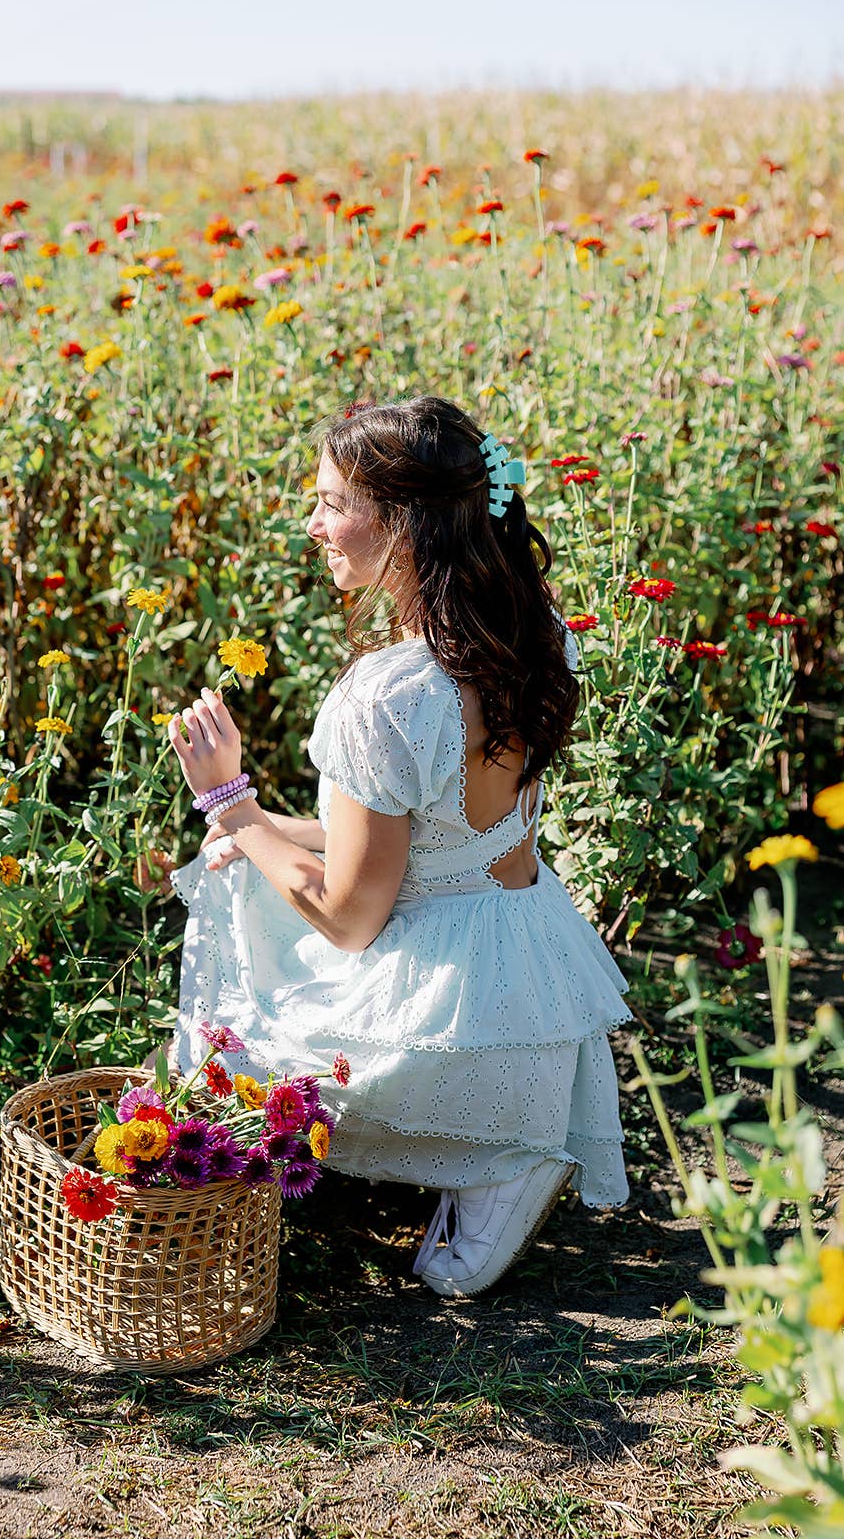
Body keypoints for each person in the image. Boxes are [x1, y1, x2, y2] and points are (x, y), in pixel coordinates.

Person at [163, 395, 633, 1298]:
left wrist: (227, 798)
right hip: (528, 974)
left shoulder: (385, 695)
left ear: (406, 524)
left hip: (445, 1015)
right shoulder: (537, 636)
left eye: (332, 502)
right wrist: (248, 827)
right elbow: (433, 842)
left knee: (228, 1044)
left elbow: (348, 917)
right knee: (240, 859)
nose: (313, 525)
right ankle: (505, 1146)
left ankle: (489, 1154)